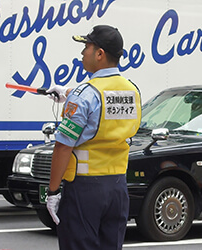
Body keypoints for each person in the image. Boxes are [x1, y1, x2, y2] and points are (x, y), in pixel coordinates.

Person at [45, 25, 142, 250]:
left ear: (99, 54)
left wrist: (52, 191)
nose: (82, 53)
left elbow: (62, 147)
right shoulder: (132, 90)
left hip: (84, 189)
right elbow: (105, 100)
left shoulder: (84, 95)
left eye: (86, 47)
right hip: (118, 187)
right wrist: (67, 92)